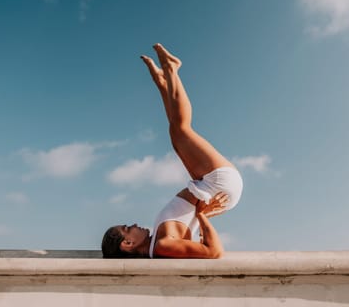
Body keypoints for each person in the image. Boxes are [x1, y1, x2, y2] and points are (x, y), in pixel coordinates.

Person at [101, 43, 243, 259]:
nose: (135, 224)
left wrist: (202, 215)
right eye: (128, 227)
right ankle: (172, 70)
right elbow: (214, 252)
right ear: (128, 243)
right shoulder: (161, 246)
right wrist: (203, 215)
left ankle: (163, 82)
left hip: (209, 185)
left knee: (176, 136)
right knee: (181, 130)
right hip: (218, 184)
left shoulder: (158, 242)